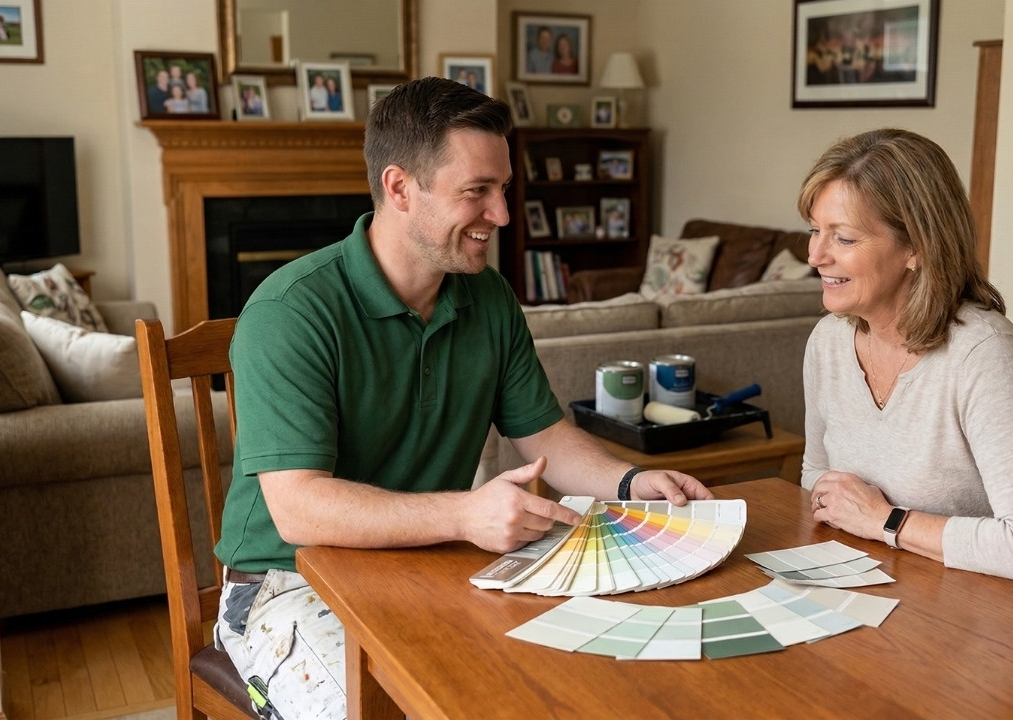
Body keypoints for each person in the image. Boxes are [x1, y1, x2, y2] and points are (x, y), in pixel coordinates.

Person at [213, 76, 712, 719]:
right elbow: (300, 510)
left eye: (503, 189)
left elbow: (546, 437)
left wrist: (631, 480)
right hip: (285, 583)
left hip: (439, 564)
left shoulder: (488, 297)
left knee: (576, 687)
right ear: (399, 188)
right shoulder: (291, 311)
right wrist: (464, 517)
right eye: (477, 191)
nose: (502, 215)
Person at [799, 128, 1013, 588]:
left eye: (844, 239)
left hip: (997, 615)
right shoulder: (828, 342)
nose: (815, 255)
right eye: (814, 231)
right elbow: (817, 476)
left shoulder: (983, 355)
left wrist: (886, 521)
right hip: (887, 589)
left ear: (916, 247)